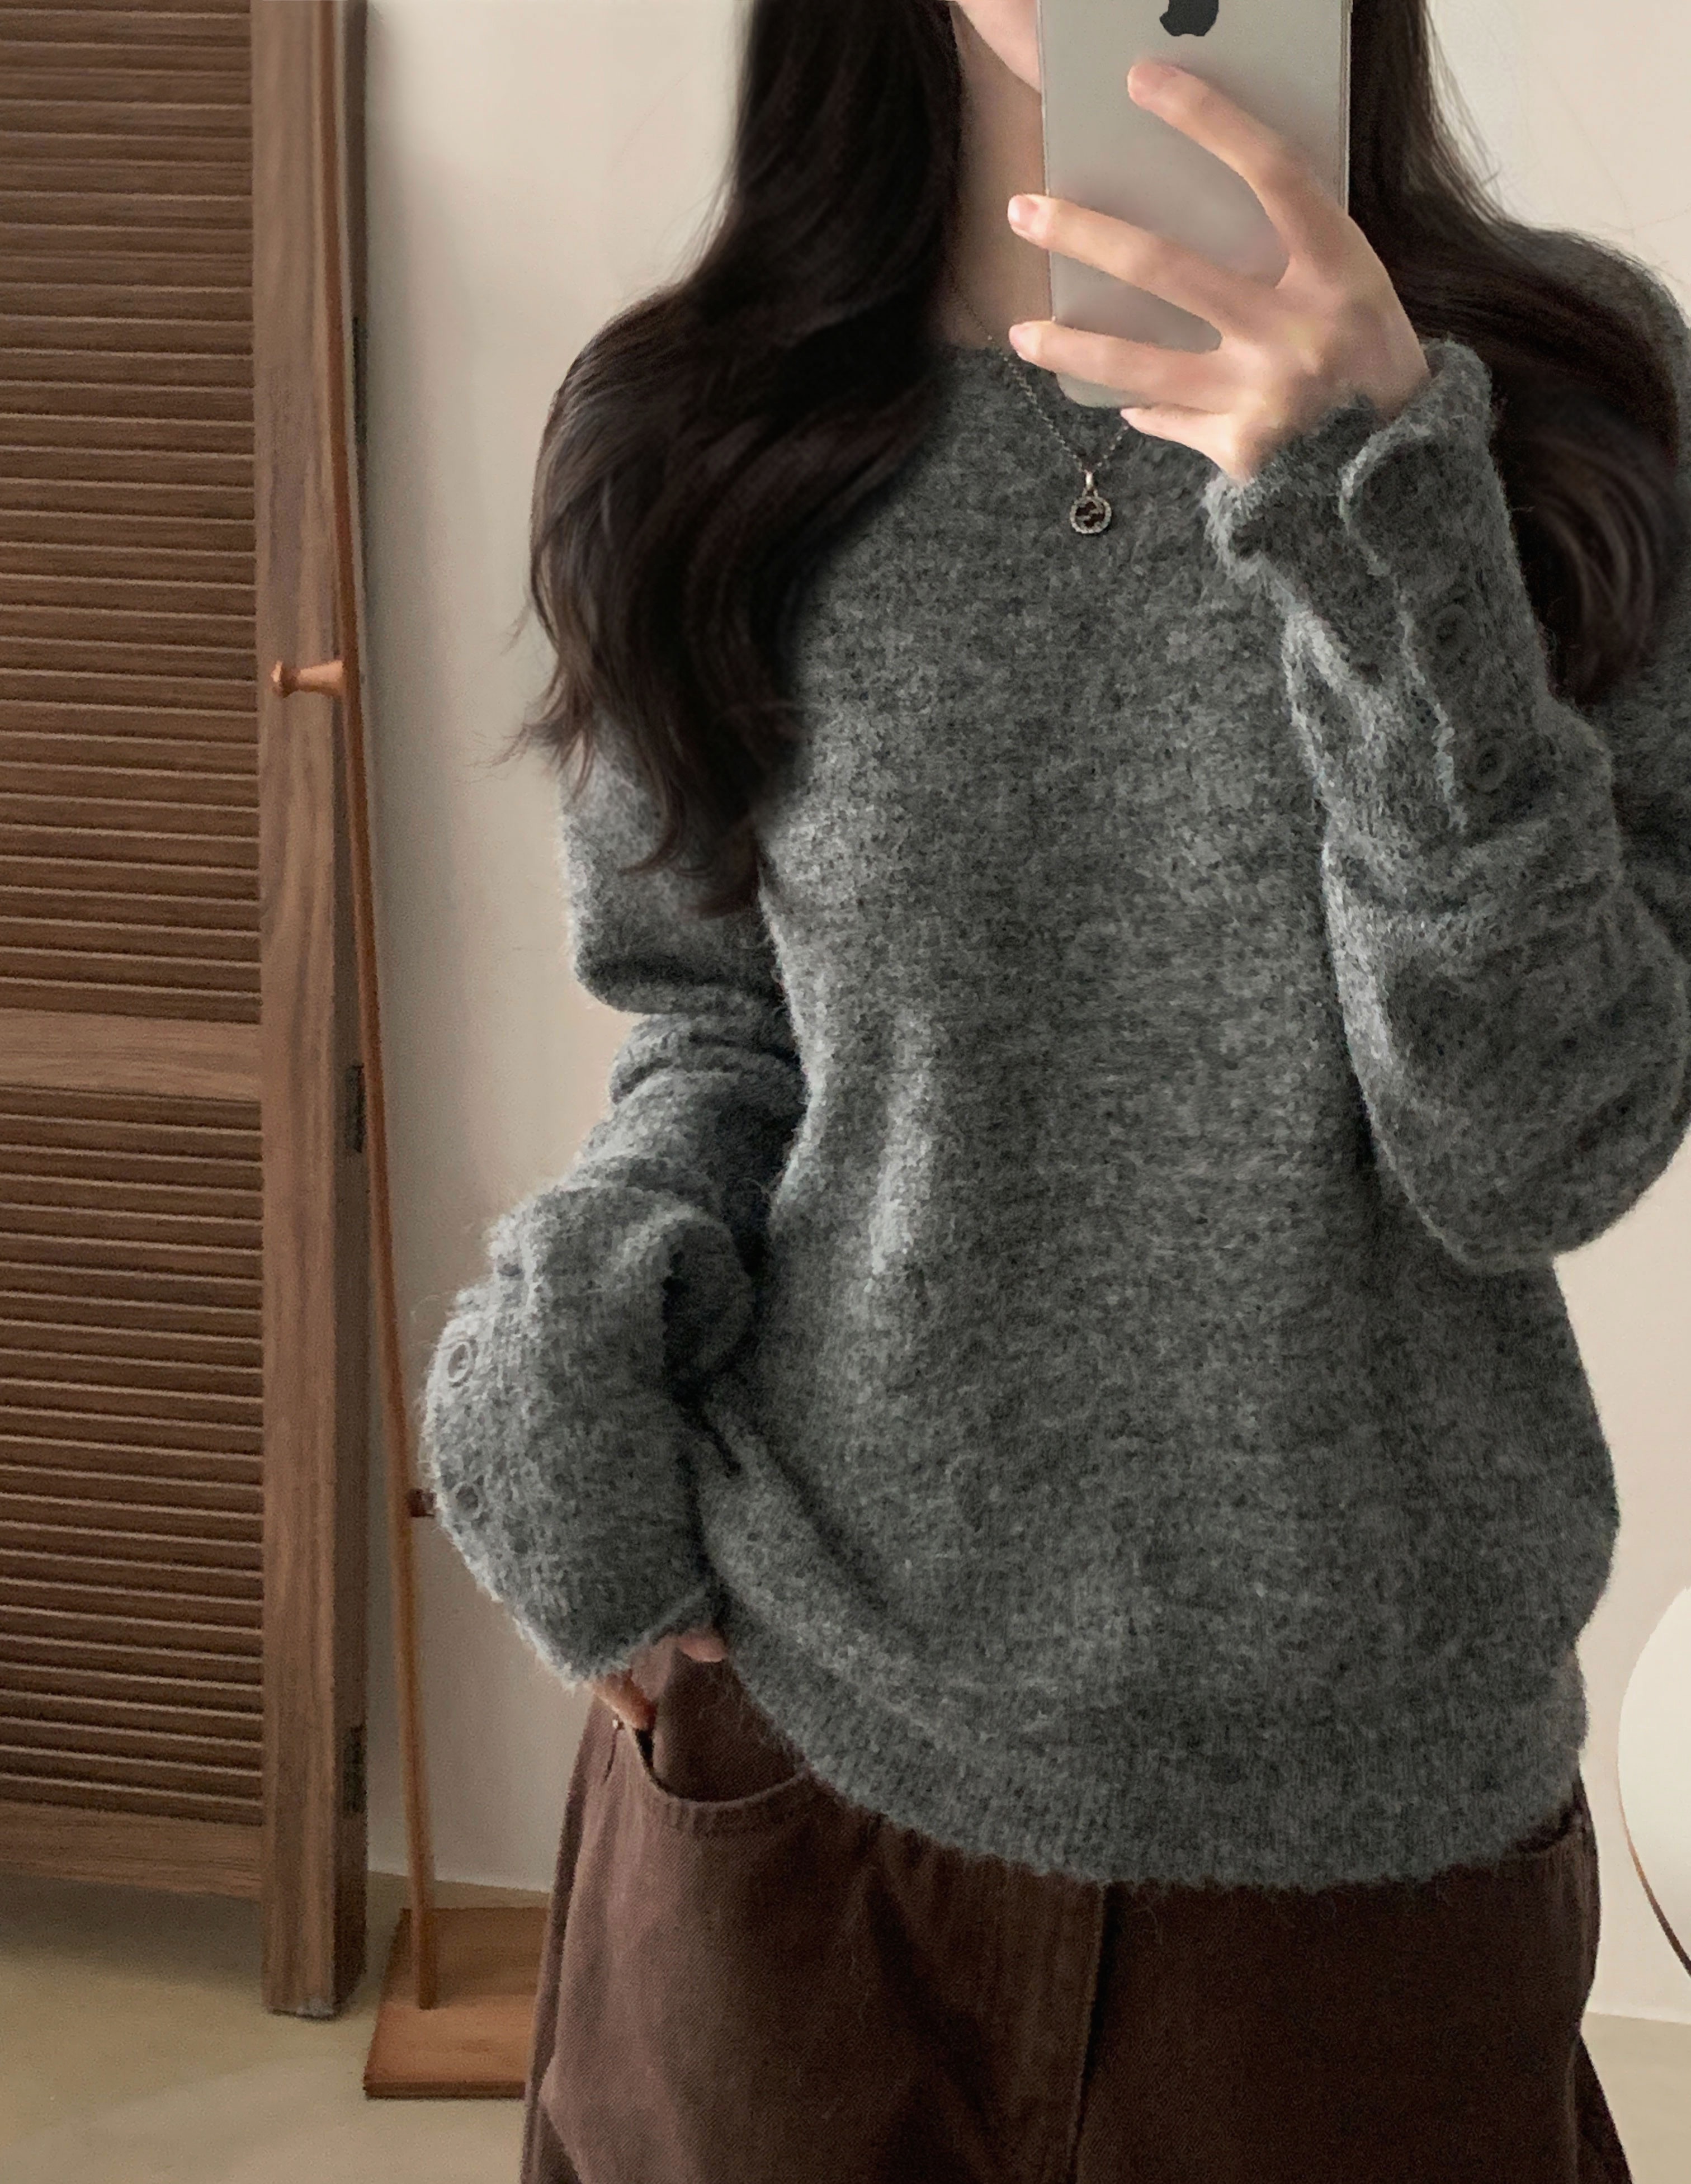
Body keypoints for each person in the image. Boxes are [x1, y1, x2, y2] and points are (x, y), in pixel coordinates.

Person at [422, 3, 1690, 2177]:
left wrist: (1379, 498)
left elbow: (1532, 1150)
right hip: (799, 1789)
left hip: (1359, 1861)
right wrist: (567, 1337)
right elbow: (718, 1033)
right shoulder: (697, 425)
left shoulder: (1571, 406)